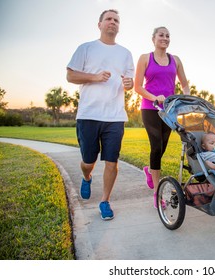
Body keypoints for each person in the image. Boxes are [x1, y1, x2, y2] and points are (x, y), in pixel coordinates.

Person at [66, 9, 134, 220]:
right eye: (109, 19)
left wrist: (129, 84)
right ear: (100, 24)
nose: (112, 23)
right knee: (88, 161)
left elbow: (130, 82)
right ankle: (86, 177)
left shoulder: (125, 53)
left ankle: (105, 201)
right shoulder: (86, 48)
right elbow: (70, 75)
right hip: (89, 114)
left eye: (116, 20)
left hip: (115, 116)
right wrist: (94, 77)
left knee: (112, 162)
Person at [134, 26, 190, 208]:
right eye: (161, 35)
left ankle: (150, 171)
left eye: (168, 35)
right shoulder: (145, 58)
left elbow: (184, 84)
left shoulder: (176, 60)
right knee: (156, 145)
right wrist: (154, 97)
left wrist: (185, 99)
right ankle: (157, 194)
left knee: (163, 146)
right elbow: (137, 87)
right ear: (153, 38)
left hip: (169, 110)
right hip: (150, 108)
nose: (165, 38)